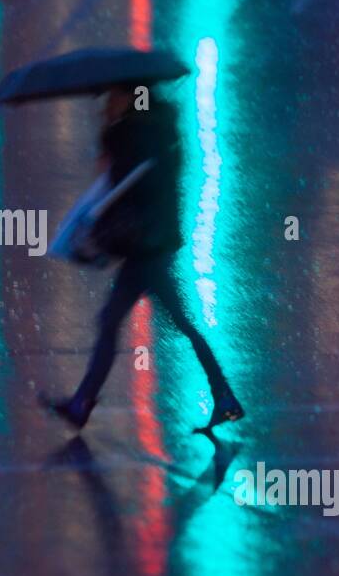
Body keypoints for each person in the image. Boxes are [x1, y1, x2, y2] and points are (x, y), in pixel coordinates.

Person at [40, 85, 244, 440]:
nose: (108, 102)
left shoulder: (131, 135)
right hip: (154, 243)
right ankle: (222, 395)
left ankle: (84, 403)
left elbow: (119, 187)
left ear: (129, 97)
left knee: (130, 321)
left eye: (113, 96)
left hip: (145, 248)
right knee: (158, 322)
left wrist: (108, 135)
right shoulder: (159, 130)